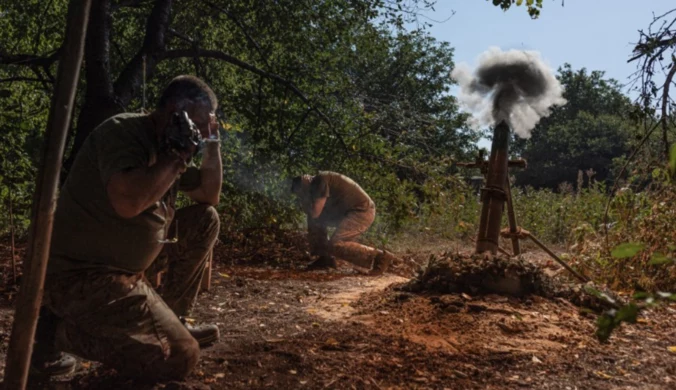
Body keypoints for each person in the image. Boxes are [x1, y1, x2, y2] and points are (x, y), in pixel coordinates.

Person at [30, 75, 223, 382]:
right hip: (83, 273)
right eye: (198, 124)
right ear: (175, 110)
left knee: (206, 219)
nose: (198, 135)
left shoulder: (173, 147)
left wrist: (211, 143)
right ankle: (55, 331)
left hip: (129, 268)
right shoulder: (124, 132)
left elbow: (209, 195)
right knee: (180, 356)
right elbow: (128, 202)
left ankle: (175, 317)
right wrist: (178, 157)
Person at [290, 171, 397, 275]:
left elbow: (315, 213)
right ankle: (325, 258)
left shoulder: (320, 181)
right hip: (349, 212)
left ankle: (380, 257)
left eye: (300, 192)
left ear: (304, 185)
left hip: (362, 211)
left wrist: (304, 199)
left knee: (336, 243)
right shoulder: (317, 182)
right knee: (314, 222)